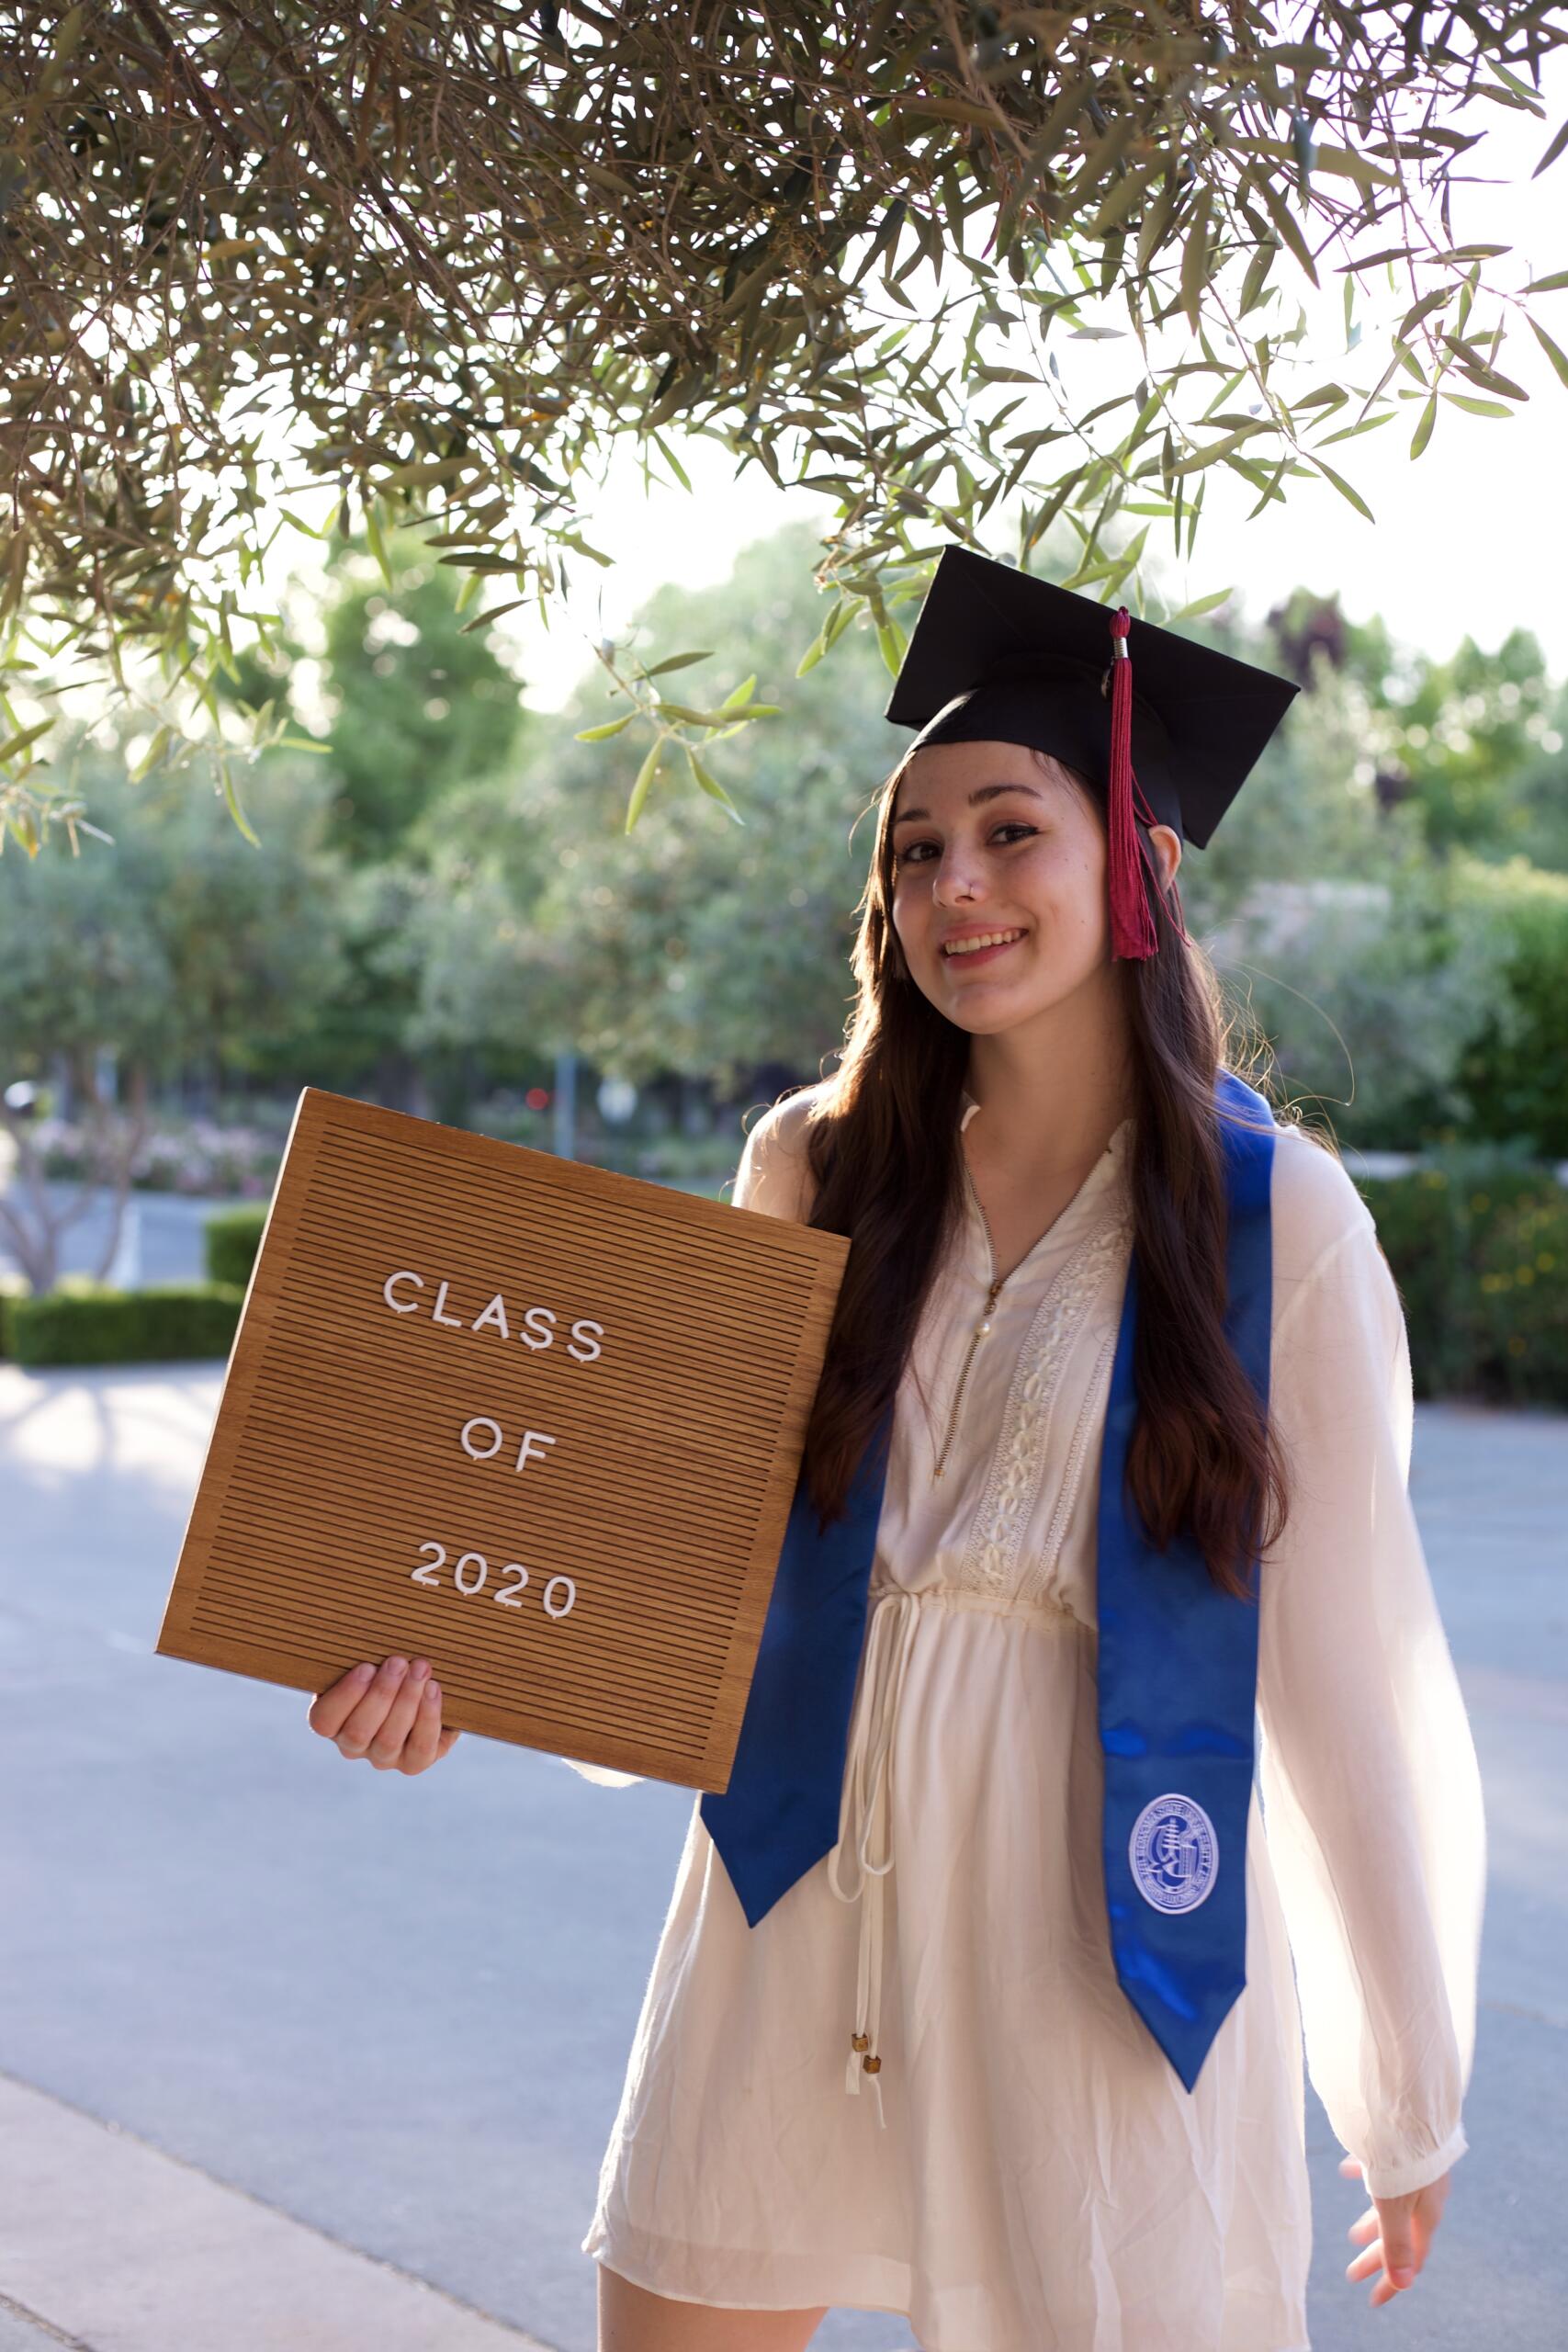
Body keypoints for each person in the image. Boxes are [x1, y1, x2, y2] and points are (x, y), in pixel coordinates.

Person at [307, 548, 1486, 2352]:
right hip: (796, 1877)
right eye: (913, 846)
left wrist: (1398, 2073)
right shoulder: (817, 1162)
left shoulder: (1273, 1221)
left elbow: (1346, 1666)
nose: (955, 884)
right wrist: (459, 1659)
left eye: (1009, 830)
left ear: (1137, 868)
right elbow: (683, 1548)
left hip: (1091, 1912)